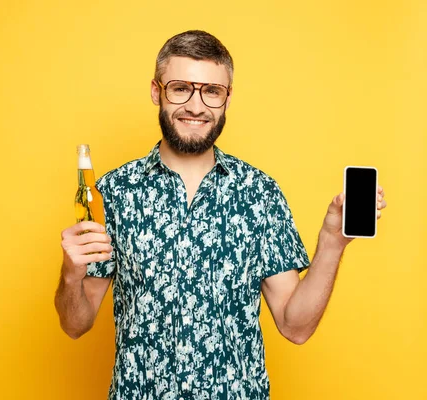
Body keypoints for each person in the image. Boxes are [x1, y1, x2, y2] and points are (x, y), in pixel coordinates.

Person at [54, 30, 387, 399]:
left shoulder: (259, 192)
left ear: (227, 98)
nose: (196, 106)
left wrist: (331, 243)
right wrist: (71, 275)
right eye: (181, 88)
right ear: (156, 91)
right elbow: (75, 325)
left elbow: (296, 327)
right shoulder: (115, 192)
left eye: (211, 91)